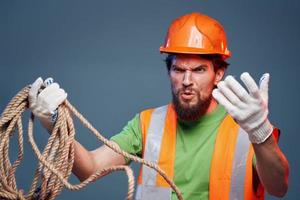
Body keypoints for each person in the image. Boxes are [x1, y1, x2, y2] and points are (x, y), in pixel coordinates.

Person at [28, 12, 289, 200]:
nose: (187, 81)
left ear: (218, 73)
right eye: (179, 69)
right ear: (169, 71)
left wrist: (260, 133)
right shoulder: (147, 124)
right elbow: (91, 168)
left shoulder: (247, 126)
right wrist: (54, 125)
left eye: (199, 70)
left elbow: (278, 188)